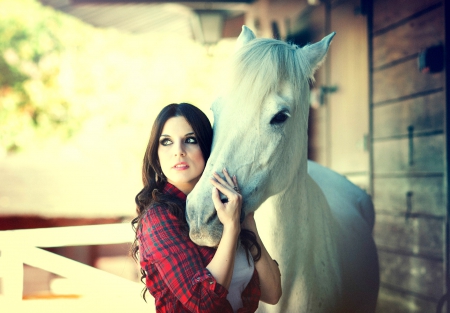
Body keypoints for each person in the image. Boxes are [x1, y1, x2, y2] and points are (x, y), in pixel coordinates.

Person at [131, 103, 281, 313]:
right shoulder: (159, 218)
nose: (179, 152)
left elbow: (272, 293)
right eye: (166, 142)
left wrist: (245, 218)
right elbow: (204, 304)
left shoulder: (226, 208)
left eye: (190, 140)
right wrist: (230, 229)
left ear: (207, 147)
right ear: (156, 154)